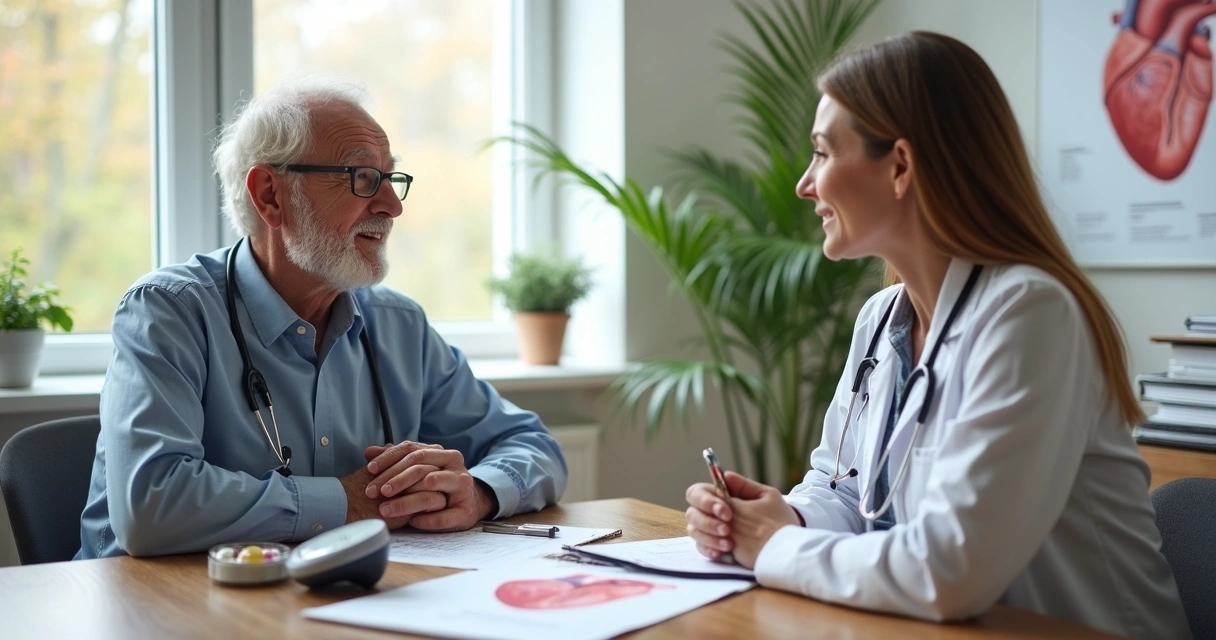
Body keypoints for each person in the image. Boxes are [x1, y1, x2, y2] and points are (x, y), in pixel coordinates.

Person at [683, 32, 1189, 639]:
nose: (805, 183)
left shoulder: (1030, 314)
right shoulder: (881, 318)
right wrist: (782, 514)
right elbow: (847, 493)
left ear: (899, 166)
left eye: (821, 153)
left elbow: (951, 570)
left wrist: (772, 547)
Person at [77, 79, 567, 559]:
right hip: (154, 610)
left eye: (390, 178)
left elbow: (533, 445)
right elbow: (149, 507)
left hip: (324, 603)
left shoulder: (398, 325)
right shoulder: (168, 311)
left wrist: (476, 490)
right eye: (362, 178)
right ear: (270, 195)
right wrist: (348, 500)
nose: (392, 206)